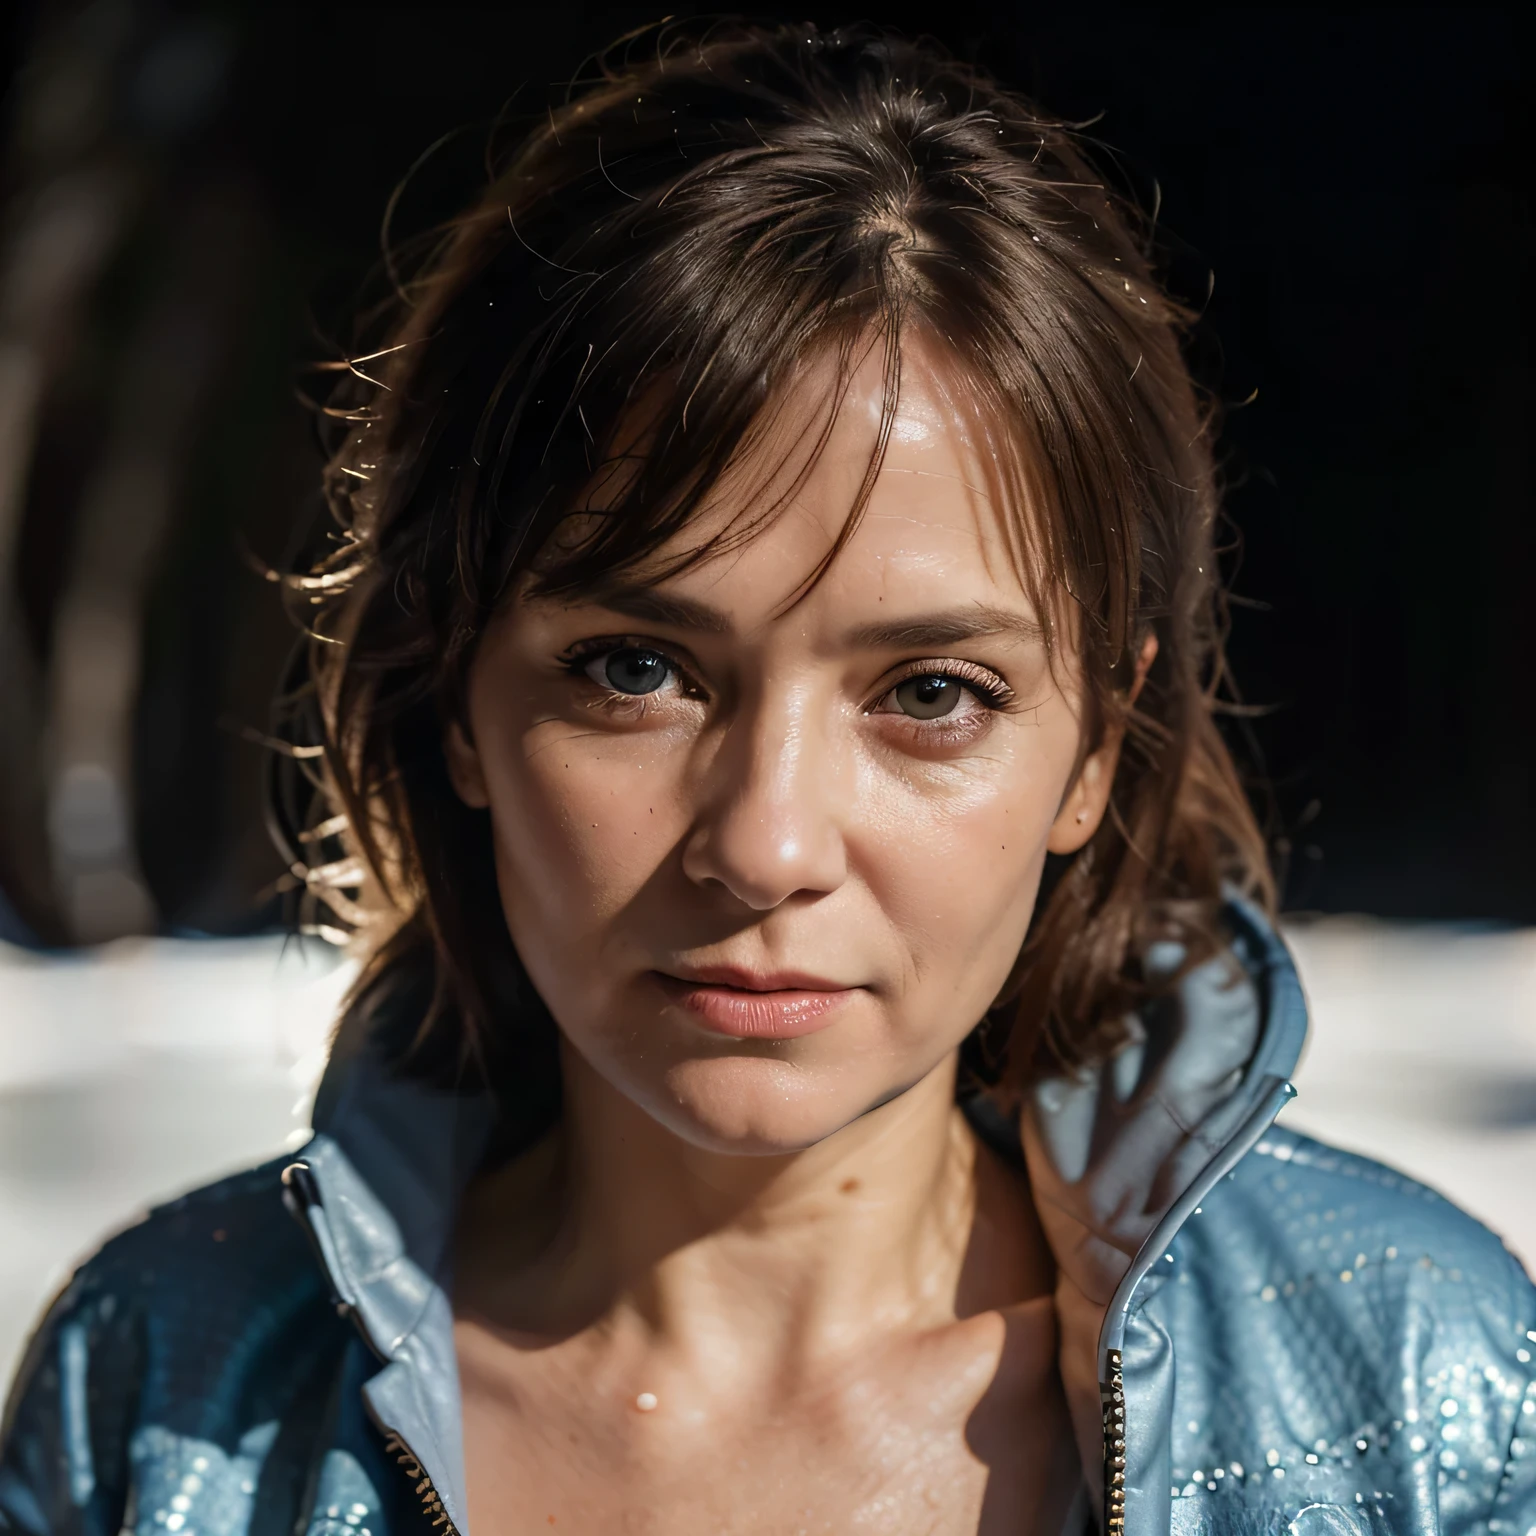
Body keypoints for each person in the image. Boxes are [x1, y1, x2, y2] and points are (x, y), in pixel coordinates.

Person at [3, 20, 1532, 1536]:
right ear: (454, 693)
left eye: (933, 693)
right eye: (637, 671)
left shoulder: (1420, 1397)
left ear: (1098, 750)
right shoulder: (156, 1401)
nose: (766, 843)